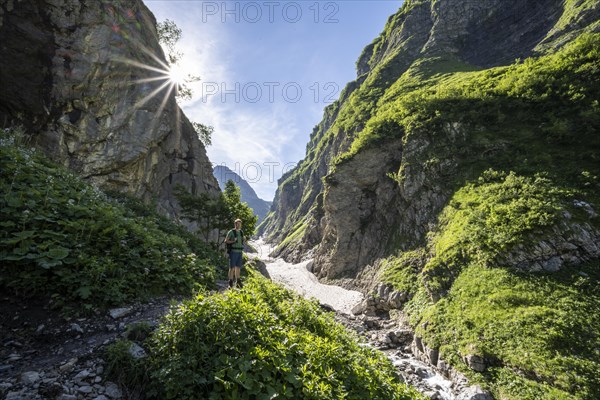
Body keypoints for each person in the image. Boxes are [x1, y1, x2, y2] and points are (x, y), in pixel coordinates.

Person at [225, 218, 245, 288]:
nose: (238, 225)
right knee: (232, 268)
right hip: (233, 252)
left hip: (240, 252)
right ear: (235, 224)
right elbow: (226, 241)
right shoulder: (231, 232)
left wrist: (244, 239)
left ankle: (238, 282)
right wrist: (233, 241)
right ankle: (230, 283)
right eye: (237, 224)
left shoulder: (241, 232)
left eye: (239, 224)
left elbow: (242, 241)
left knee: (238, 268)